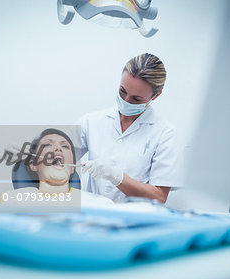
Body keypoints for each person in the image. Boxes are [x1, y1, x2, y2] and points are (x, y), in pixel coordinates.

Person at [78, 53, 182, 203]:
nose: (126, 101)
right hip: (93, 218)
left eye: (136, 99)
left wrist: (116, 177)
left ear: (156, 95)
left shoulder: (165, 134)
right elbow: (54, 155)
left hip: (136, 222)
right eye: (122, 91)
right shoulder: (91, 121)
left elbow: (159, 196)